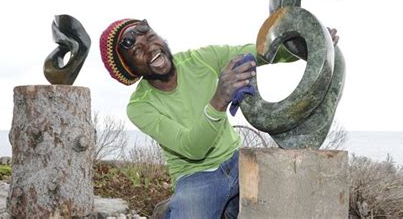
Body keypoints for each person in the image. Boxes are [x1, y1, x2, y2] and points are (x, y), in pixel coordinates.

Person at [99, 19, 339, 219]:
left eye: (150, 38)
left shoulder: (198, 59)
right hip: (196, 177)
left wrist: (305, 46)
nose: (150, 49)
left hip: (236, 160)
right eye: (137, 52)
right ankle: (179, 205)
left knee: (287, 197)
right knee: (190, 212)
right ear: (131, 69)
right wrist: (219, 99)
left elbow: (258, 53)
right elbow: (191, 149)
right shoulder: (140, 107)